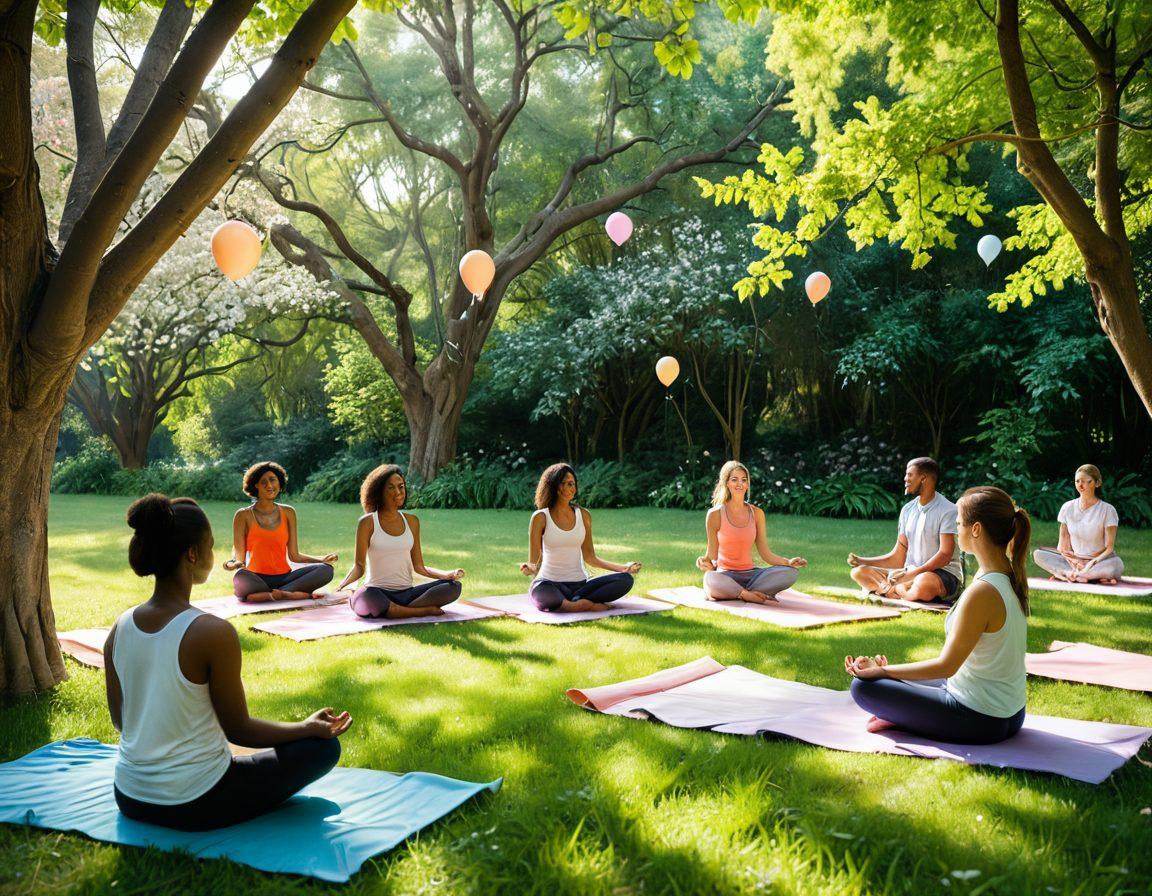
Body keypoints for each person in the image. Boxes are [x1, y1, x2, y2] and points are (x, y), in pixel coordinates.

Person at [105, 493, 352, 832]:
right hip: (195, 801)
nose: (212, 553)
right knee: (321, 750)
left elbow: (121, 722)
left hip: (130, 795)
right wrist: (306, 728)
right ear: (192, 554)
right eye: (209, 546)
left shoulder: (120, 627)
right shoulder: (211, 632)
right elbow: (239, 729)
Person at [844, 486, 1029, 745]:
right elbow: (953, 668)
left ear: (975, 529)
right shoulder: (1008, 576)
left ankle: (903, 716)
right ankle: (904, 713)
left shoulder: (984, 591)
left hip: (980, 719)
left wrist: (883, 672)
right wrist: (888, 672)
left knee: (863, 687)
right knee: (891, 680)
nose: (956, 529)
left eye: (958, 523)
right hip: (1009, 713)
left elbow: (946, 666)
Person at [327, 465, 465, 619]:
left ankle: (396, 610)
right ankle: (420, 610)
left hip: (407, 593)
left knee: (453, 588)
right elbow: (359, 566)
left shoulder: (412, 521)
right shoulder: (368, 522)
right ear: (379, 492)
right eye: (391, 488)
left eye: (401, 486)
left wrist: (447, 575)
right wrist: (342, 586)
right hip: (377, 591)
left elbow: (419, 567)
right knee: (365, 597)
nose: (398, 492)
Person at [519, 463, 641, 612]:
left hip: (581, 585)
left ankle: (572, 603)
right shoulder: (540, 517)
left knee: (625, 580)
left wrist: (624, 568)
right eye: (562, 483)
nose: (567, 488)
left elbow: (590, 557)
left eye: (571, 484)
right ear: (553, 487)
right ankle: (582, 605)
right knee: (540, 593)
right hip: (549, 583)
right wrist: (528, 568)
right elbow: (534, 562)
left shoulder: (583, 515)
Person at [847, 457, 964, 603]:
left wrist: (914, 573)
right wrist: (862, 560)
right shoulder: (907, 510)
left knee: (924, 582)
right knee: (859, 572)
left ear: (923, 478)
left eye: (909, 474)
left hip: (941, 575)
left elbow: (945, 555)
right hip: (909, 574)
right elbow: (898, 557)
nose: (905, 479)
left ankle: (892, 590)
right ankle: (897, 590)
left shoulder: (948, 510)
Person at [223, 461, 336, 602]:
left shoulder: (288, 512)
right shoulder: (243, 515)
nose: (269, 485)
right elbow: (239, 559)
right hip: (256, 578)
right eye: (263, 481)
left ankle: (273, 594)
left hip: (285, 577)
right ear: (255, 485)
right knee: (241, 578)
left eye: (272, 480)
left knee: (326, 570)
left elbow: (294, 555)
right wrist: (231, 564)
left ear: (279, 483)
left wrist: (321, 559)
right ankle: (291, 594)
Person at [695, 461, 807, 603]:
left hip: (752, 576)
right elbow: (711, 555)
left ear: (747, 485)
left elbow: (766, 554)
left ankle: (741, 591)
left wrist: (788, 562)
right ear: (727, 483)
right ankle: (746, 594)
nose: (739, 484)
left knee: (790, 573)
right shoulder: (715, 514)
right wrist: (703, 562)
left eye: (744, 480)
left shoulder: (757, 513)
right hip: (725, 574)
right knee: (710, 578)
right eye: (734, 480)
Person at [1032, 464, 1123, 583]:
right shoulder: (1067, 507)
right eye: (1077, 481)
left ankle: (1070, 574)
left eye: (1086, 482)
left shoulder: (1108, 510)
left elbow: (1109, 548)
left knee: (1116, 565)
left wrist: (1091, 562)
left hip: (1100, 561)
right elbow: (1062, 546)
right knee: (1038, 554)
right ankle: (1080, 575)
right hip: (1074, 562)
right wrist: (1072, 560)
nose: (1080, 485)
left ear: (1097, 483)